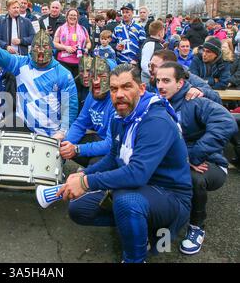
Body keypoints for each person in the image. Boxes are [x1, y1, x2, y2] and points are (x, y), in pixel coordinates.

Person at [57, 64, 193, 263]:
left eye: (126, 87)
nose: (119, 94)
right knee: (78, 209)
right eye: (113, 89)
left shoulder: (156, 120)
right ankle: (137, 230)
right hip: (142, 189)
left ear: (141, 88)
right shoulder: (120, 116)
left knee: (125, 200)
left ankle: (135, 258)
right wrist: (83, 174)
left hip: (169, 195)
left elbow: (137, 174)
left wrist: (86, 183)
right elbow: (113, 158)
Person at [156, 62, 237, 255]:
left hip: (208, 163)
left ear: (180, 83)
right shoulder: (157, 103)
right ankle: (162, 234)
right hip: (177, 162)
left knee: (194, 178)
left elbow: (227, 122)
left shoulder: (194, 101)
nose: (160, 85)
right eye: (158, 80)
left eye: (166, 80)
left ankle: (196, 226)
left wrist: (193, 155)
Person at [0, 24, 78, 138]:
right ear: (31, 49)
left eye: (45, 47)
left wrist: (62, 132)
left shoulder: (64, 74)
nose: (41, 52)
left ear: (52, 49)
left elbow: (70, 107)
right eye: (37, 47)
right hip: (22, 126)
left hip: (50, 133)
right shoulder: (21, 64)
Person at [60, 56, 115, 168]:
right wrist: (65, 144)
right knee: (66, 145)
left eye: (102, 76)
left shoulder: (117, 99)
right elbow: (80, 123)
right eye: (93, 76)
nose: (96, 81)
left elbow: (110, 144)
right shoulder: (92, 94)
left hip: (117, 148)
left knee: (95, 163)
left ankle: (91, 175)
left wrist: (77, 149)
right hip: (100, 138)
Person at [147, 49, 222, 104]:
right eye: (149, 65)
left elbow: (216, 98)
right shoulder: (152, 83)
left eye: (154, 66)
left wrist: (200, 91)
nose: (150, 69)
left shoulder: (190, 79)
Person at [54, 8, 92, 81]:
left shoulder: (83, 29)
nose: (73, 17)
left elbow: (88, 42)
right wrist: (66, 47)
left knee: (77, 85)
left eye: (75, 15)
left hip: (79, 62)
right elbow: (54, 43)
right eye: (71, 15)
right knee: (65, 83)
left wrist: (87, 48)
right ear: (67, 16)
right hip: (64, 62)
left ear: (77, 17)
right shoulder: (60, 29)